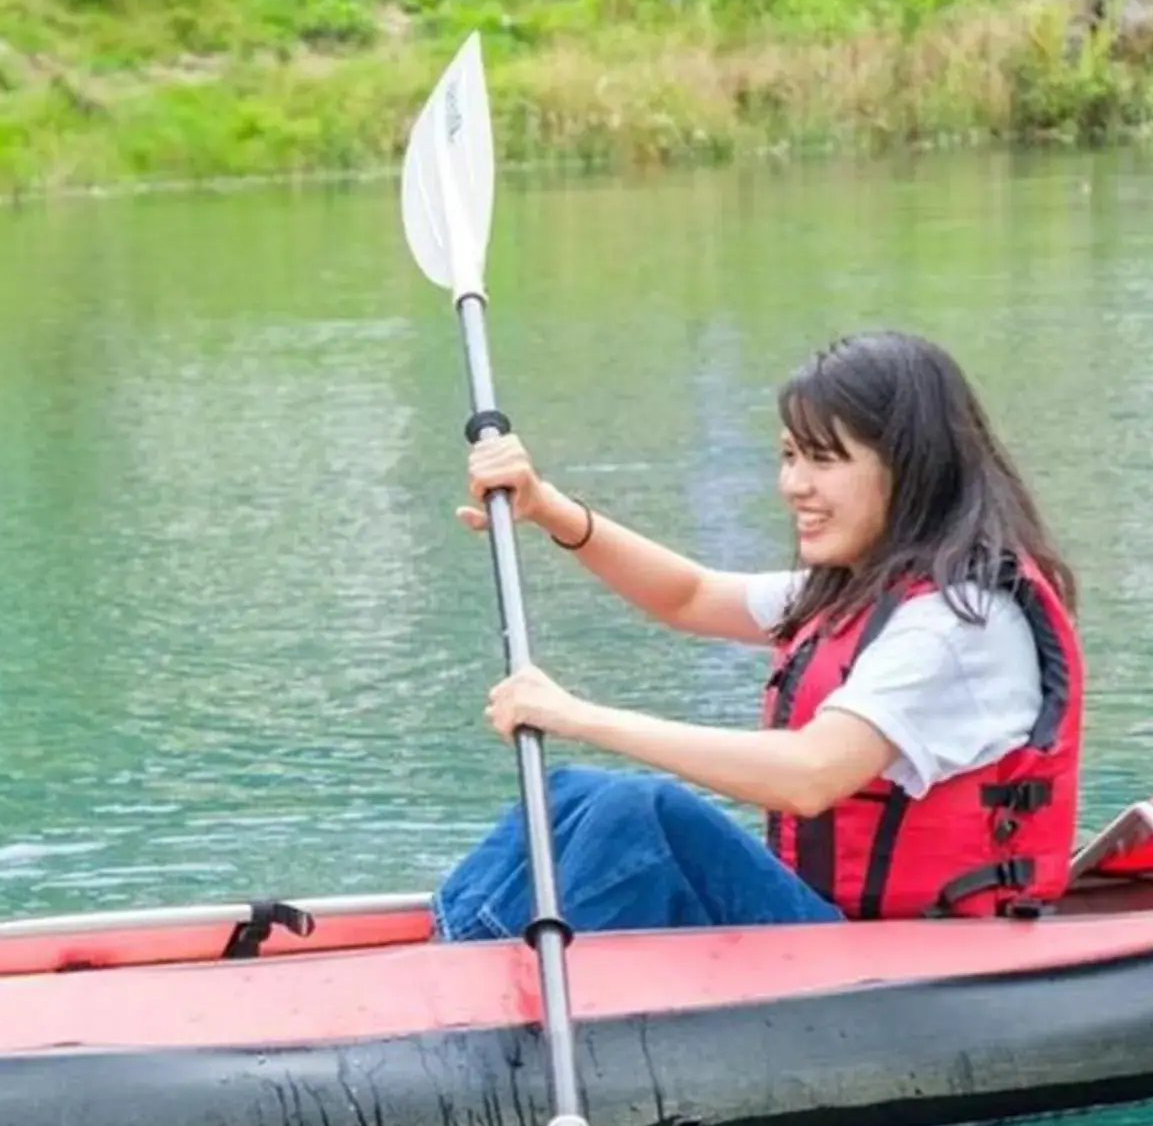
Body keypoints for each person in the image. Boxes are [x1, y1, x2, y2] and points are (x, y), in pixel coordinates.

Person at [430, 330, 1083, 941]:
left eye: (824, 460)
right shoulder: (866, 591)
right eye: (790, 456)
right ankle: (452, 945)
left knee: (639, 814)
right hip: (834, 930)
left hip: (912, 961)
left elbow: (808, 775)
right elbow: (689, 595)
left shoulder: (958, 625)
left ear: (912, 468)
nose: (793, 485)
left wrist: (577, 715)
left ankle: (465, 982)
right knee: (575, 794)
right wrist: (546, 507)